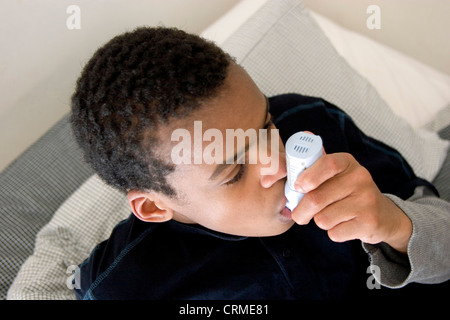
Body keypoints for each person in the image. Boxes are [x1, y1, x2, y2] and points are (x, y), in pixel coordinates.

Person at [71, 26, 450, 300]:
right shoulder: (126, 285)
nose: (279, 162)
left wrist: (399, 225)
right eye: (235, 172)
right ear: (154, 206)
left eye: (267, 125)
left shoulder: (314, 122)